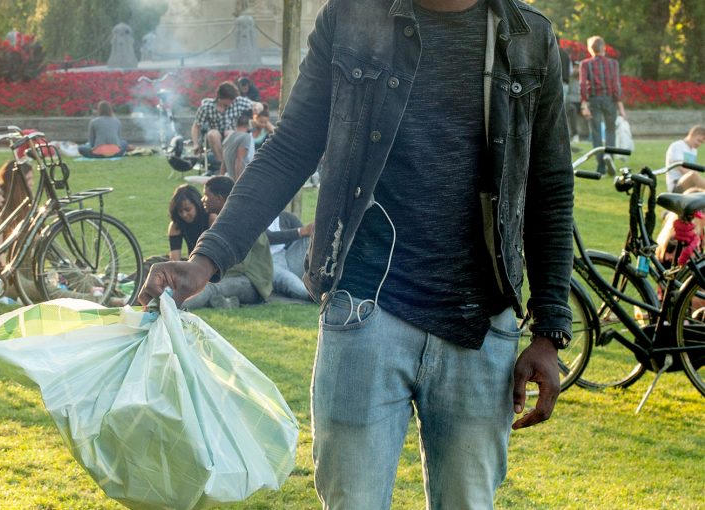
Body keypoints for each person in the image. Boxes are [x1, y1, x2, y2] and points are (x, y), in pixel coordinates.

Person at [140, 0, 574, 508]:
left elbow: (550, 185)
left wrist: (549, 330)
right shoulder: (351, 17)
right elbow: (288, 151)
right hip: (364, 312)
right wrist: (206, 259)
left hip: (480, 328)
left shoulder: (529, 37)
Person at [180, 176, 272, 310]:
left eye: (206, 195)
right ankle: (225, 302)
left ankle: (171, 307)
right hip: (238, 278)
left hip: (252, 283)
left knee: (208, 287)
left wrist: (207, 272)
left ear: (220, 198)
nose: (202, 199)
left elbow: (240, 266)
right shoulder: (228, 219)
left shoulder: (240, 221)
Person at [579, 35, 625, 175]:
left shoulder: (586, 64)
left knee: (596, 133)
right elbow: (616, 85)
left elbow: (582, 85)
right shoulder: (613, 64)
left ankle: (601, 167)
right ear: (603, 47)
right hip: (610, 100)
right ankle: (609, 157)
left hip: (594, 100)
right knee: (611, 131)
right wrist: (621, 107)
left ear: (590, 49)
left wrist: (584, 105)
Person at [191, 82, 254, 168]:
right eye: (230, 99)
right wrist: (195, 144)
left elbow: (256, 105)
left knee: (229, 133)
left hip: (232, 134)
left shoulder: (238, 102)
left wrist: (258, 107)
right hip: (215, 138)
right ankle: (222, 164)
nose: (233, 101)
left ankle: (230, 163)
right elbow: (196, 126)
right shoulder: (206, 107)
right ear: (221, 98)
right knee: (212, 133)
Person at [266, 211, 313, 301]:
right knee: (287, 279)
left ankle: (324, 279)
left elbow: (305, 232)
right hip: (267, 260)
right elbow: (269, 237)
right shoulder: (253, 217)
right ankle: (316, 296)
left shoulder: (286, 217)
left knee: (308, 239)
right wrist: (301, 231)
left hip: (287, 255)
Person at [168, 184, 217, 261]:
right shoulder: (176, 225)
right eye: (180, 211)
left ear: (197, 205)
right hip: (192, 263)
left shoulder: (211, 218)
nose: (184, 215)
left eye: (188, 209)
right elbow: (174, 259)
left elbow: (214, 252)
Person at [665, 125, 705, 192]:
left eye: (702, 142)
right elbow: (682, 169)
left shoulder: (694, 150)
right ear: (691, 135)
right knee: (693, 175)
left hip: (689, 185)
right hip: (676, 184)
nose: (699, 144)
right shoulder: (677, 146)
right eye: (698, 140)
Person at [220, 114, 255, 180]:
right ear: (248, 125)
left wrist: (220, 179)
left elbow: (224, 162)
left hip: (231, 177)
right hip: (241, 177)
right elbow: (239, 160)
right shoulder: (245, 137)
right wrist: (238, 182)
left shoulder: (229, 137)